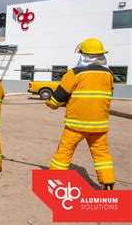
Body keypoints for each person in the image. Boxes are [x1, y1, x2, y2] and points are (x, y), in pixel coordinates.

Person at [46, 38, 115, 190]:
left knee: (64, 152)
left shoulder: (75, 74)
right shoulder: (109, 75)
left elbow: (57, 99)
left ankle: (55, 183)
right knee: (102, 155)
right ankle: (108, 184)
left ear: (83, 55)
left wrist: (51, 103)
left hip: (75, 125)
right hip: (99, 126)